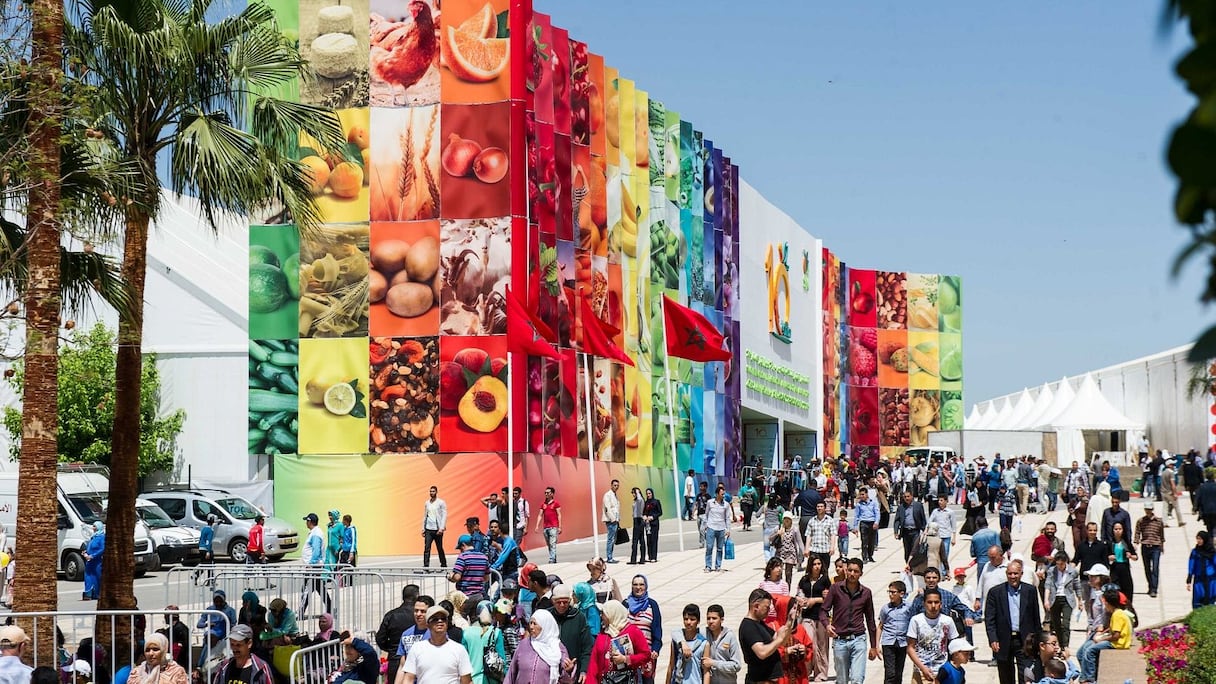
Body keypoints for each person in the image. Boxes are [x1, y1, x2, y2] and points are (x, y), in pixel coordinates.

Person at [819, 558, 878, 684]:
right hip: (840, 640)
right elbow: (823, 610)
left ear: (861, 573)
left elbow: (870, 620)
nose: (852, 574)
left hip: (859, 639)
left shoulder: (866, 593)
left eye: (856, 571)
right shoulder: (835, 589)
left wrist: (873, 646)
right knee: (842, 680)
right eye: (850, 570)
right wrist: (827, 625)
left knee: (857, 679)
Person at [984, 560, 1041, 684]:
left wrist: (1037, 640)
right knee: (1005, 675)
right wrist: (993, 638)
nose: (1012, 576)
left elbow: (1036, 617)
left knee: (1025, 674)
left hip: (1024, 640)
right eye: (1010, 573)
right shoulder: (995, 592)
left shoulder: (1030, 590)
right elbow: (990, 619)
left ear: (1021, 574)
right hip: (1003, 639)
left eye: (1015, 573)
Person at [401, 605, 474, 684]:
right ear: (427, 624)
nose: (440, 621)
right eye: (435, 619)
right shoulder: (417, 648)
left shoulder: (459, 649)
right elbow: (408, 679)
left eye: (443, 619)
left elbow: (467, 681)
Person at [1075, 589, 1132, 684]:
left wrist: (1102, 638)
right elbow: (1112, 629)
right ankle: (1084, 675)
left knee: (1090, 651)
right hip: (1114, 641)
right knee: (1082, 651)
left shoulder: (1117, 615)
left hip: (1117, 644)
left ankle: (1089, 678)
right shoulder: (1117, 613)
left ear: (1109, 603)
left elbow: (1116, 635)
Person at [586, 601, 650, 684]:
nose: (601, 616)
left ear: (612, 614)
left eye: (604, 613)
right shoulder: (602, 635)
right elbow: (593, 664)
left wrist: (626, 659)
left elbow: (646, 655)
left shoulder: (633, 631)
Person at [906, 588, 959, 684]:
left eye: (936, 602)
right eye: (930, 602)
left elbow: (955, 645)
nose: (933, 606)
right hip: (921, 670)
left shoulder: (947, 621)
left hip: (942, 670)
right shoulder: (916, 620)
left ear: (941, 604)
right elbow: (910, 648)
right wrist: (922, 668)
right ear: (924, 604)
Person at [505, 610, 572, 684]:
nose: (531, 627)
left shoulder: (557, 648)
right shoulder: (523, 645)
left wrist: (568, 671)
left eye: (535, 624)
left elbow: (566, 679)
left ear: (545, 625)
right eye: (530, 623)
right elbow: (511, 673)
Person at [739, 589, 789, 684]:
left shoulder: (760, 624)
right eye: (767, 607)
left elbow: (781, 641)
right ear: (756, 606)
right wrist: (779, 639)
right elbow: (762, 652)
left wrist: (790, 620)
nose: (769, 611)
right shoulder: (748, 626)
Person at [796, 558, 831, 682]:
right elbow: (798, 593)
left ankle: (821, 672)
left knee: (822, 645)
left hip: (821, 617)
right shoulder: (804, 580)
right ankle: (806, 669)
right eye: (814, 564)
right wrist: (801, 600)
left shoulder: (825, 580)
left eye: (819, 564)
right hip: (806, 617)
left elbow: (829, 599)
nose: (817, 566)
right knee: (809, 643)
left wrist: (815, 600)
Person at [378, 585, 422, 684]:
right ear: (417, 596)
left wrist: (391, 648)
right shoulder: (421, 616)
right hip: (416, 660)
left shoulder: (391, 615)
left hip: (395, 659)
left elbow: (380, 638)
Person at [549, 584, 593, 683]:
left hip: (573, 673)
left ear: (569, 601)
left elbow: (587, 648)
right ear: (553, 601)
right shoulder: (547, 617)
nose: (562, 605)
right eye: (558, 602)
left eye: (565, 602)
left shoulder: (578, 617)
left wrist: (584, 670)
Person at [625, 575, 662, 684]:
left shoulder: (652, 605)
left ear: (646, 587)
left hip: (646, 655)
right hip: (627, 656)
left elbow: (657, 630)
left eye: (641, 584)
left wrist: (656, 649)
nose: (638, 587)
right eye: (635, 584)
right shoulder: (625, 604)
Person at [1040, 552, 1081, 650]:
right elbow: (1048, 585)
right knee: (1056, 623)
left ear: (1066, 562)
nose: (1059, 566)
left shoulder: (1072, 572)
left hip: (1067, 599)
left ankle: (1065, 645)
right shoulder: (1051, 571)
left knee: (1065, 623)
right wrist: (1046, 600)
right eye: (1057, 564)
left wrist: (1080, 600)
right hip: (1055, 598)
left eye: (1061, 564)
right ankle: (1059, 643)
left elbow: (1077, 586)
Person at [876, 581, 911, 684]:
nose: (891, 595)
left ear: (902, 594)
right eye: (889, 592)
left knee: (899, 672)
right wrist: (877, 645)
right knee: (890, 672)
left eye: (893, 592)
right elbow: (880, 626)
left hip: (902, 642)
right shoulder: (885, 609)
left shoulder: (908, 607)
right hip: (888, 642)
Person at [465, 601, 507, 684]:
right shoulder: (496, 632)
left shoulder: (466, 633)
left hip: (472, 680)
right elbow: (502, 660)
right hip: (491, 680)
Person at [395, 596, 438, 678]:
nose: (418, 614)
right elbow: (402, 666)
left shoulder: (437, 634)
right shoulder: (406, 634)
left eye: (423, 611)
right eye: (416, 611)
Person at [300, 512, 332, 615]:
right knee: (319, 588)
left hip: (313, 567)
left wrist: (311, 564)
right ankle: (330, 608)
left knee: (306, 590)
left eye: (307, 521)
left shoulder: (316, 534)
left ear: (310, 522)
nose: (306, 523)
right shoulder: (315, 532)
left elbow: (316, 550)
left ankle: (301, 612)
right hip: (314, 566)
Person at [702, 604, 743, 684]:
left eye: (714, 618)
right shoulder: (704, 634)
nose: (710, 621)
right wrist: (682, 642)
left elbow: (736, 665)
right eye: (708, 618)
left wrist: (714, 663)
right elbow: (679, 632)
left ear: (722, 619)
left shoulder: (730, 636)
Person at [667, 604, 708, 684]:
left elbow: (706, 672)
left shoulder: (704, 643)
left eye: (692, 619)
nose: (688, 622)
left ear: (698, 621)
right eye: (686, 619)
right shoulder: (676, 642)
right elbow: (671, 666)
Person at [1133, 502, 1165, 597]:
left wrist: (1162, 545)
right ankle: (1150, 586)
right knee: (1147, 568)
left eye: (1150, 509)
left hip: (1156, 547)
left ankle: (1154, 589)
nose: (1148, 511)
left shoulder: (1159, 521)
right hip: (1145, 546)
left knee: (1155, 568)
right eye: (1146, 509)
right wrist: (1136, 542)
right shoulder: (1141, 521)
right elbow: (1137, 532)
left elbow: (1161, 534)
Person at [198, 589, 236, 665]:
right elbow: (199, 624)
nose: (218, 603)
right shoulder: (210, 610)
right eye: (216, 601)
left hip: (224, 636)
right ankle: (200, 665)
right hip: (211, 636)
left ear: (224, 600)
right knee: (208, 643)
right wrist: (207, 624)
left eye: (220, 601)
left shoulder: (230, 611)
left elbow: (233, 625)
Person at [704, 484, 735, 573]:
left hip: (721, 528)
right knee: (709, 547)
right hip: (711, 527)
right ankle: (708, 566)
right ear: (717, 494)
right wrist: (706, 524)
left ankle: (718, 566)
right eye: (722, 494)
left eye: (724, 494)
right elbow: (706, 514)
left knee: (720, 548)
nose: (723, 496)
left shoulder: (726, 505)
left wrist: (728, 529)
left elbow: (727, 518)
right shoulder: (710, 502)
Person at [1106, 522, 1138, 600]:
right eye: (1116, 529)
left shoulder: (1126, 543)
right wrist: (1109, 557)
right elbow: (1104, 556)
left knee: (1127, 589)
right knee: (1115, 590)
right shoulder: (1109, 543)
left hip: (1124, 568)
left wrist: (1130, 556)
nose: (1118, 531)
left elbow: (1136, 557)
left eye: (1120, 529)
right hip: (1114, 568)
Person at [894, 491, 928, 563]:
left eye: (908, 496)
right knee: (907, 550)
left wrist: (925, 530)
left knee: (915, 549)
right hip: (905, 532)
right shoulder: (901, 507)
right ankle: (908, 565)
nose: (907, 498)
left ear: (912, 496)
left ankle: (914, 565)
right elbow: (897, 520)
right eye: (905, 497)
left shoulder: (918, 505)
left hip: (915, 531)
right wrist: (896, 532)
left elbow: (923, 518)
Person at [851, 487, 880, 564]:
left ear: (867, 494)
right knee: (864, 541)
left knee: (872, 541)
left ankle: (870, 555)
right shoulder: (859, 505)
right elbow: (856, 516)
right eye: (860, 495)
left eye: (863, 494)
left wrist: (876, 522)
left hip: (872, 522)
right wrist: (855, 527)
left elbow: (877, 513)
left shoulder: (873, 502)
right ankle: (864, 557)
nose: (861, 496)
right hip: (864, 523)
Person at [1188, 530, 1216, 608]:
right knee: (1198, 598)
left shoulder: (1212, 552)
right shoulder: (1195, 552)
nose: (1198, 541)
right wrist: (1189, 579)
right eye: (1197, 539)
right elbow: (1191, 565)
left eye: (1200, 539)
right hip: (1199, 579)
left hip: (1210, 579)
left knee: (1210, 599)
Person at [775, 514, 804, 586]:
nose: (786, 520)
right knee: (779, 572)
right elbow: (770, 539)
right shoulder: (779, 528)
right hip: (780, 552)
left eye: (788, 519)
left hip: (791, 553)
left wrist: (803, 552)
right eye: (785, 518)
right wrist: (777, 534)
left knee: (788, 573)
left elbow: (799, 541)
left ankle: (787, 588)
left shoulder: (795, 529)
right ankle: (780, 587)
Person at [927, 496, 955, 573]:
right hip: (937, 536)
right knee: (936, 554)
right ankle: (938, 570)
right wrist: (926, 530)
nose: (940, 502)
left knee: (945, 554)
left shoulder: (950, 512)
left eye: (942, 500)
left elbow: (953, 525)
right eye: (939, 500)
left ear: (946, 501)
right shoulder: (935, 511)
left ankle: (943, 571)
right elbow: (929, 521)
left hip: (946, 535)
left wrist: (954, 537)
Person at [804, 503, 834, 573]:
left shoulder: (830, 520)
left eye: (821, 506)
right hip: (814, 550)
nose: (819, 508)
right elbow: (809, 535)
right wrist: (806, 548)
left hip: (825, 550)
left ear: (825, 508)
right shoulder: (812, 520)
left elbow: (833, 534)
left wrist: (832, 547)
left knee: (825, 570)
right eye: (818, 506)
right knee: (812, 571)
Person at [423, 486, 449, 568]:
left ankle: (443, 564)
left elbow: (444, 515)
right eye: (430, 491)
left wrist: (441, 528)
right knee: (427, 548)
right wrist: (423, 528)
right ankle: (426, 566)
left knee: (439, 548)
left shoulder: (441, 502)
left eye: (433, 491)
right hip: (428, 529)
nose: (431, 493)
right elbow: (425, 516)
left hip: (437, 529)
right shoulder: (427, 503)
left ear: (436, 492)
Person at [536, 487, 563, 564]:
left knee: (552, 543)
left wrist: (560, 526)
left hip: (553, 527)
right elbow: (540, 515)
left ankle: (552, 559)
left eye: (548, 493)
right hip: (546, 527)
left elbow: (559, 515)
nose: (546, 494)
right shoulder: (543, 504)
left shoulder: (556, 504)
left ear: (552, 494)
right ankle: (553, 557)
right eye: (545, 493)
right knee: (549, 544)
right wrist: (537, 526)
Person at [83, 521, 105, 600]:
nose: (93, 528)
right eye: (93, 526)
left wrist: (93, 556)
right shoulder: (93, 537)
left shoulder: (101, 537)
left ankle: (97, 594)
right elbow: (89, 547)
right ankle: (88, 594)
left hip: (97, 562)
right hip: (89, 562)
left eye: (95, 526)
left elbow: (102, 549)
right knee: (87, 577)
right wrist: (85, 552)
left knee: (97, 577)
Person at [760, 495, 784, 562]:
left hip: (766, 528)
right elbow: (785, 513)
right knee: (774, 546)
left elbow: (757, 514)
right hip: (775, 528)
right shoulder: (779, 508)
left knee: (766, 547)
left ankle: (768, 560)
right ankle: (772, 560)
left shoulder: (764, 507)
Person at [603, 480, 622, 564]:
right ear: (611, 485)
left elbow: (616, 508)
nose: (616, 487)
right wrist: (613, 518)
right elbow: (607, 508)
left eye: (617, 485)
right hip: (611, 520)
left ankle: (610, 556)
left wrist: (618, 518)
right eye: (614, 485)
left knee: (613, 539)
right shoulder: (608, 495)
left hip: (615, 519)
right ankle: (609, 557)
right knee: (610, 539)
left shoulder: (615, 495)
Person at [641, 490, 663, 563]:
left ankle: (654, 557)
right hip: (647, 524)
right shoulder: (646, 502)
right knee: (648, 540)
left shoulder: (656, 502)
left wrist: (652, 517)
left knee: (654, 540)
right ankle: (650, 556)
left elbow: (660, 512)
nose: (648, 495)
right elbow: (644, 512)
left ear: (652, 494)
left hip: (654, 523)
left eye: (649, 493)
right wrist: (644, 516)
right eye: (647, 494)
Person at [629, 488, 647, 565]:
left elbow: (640, 500)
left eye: (634, 492)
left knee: (637, 541)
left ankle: (636, 559)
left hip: (639, 520)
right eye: (632, 492)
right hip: (636, 519)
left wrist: (637, 492)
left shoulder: (640, 500)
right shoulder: (636, 501)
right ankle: (639, 558)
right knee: (639, 540)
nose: (633, 494)